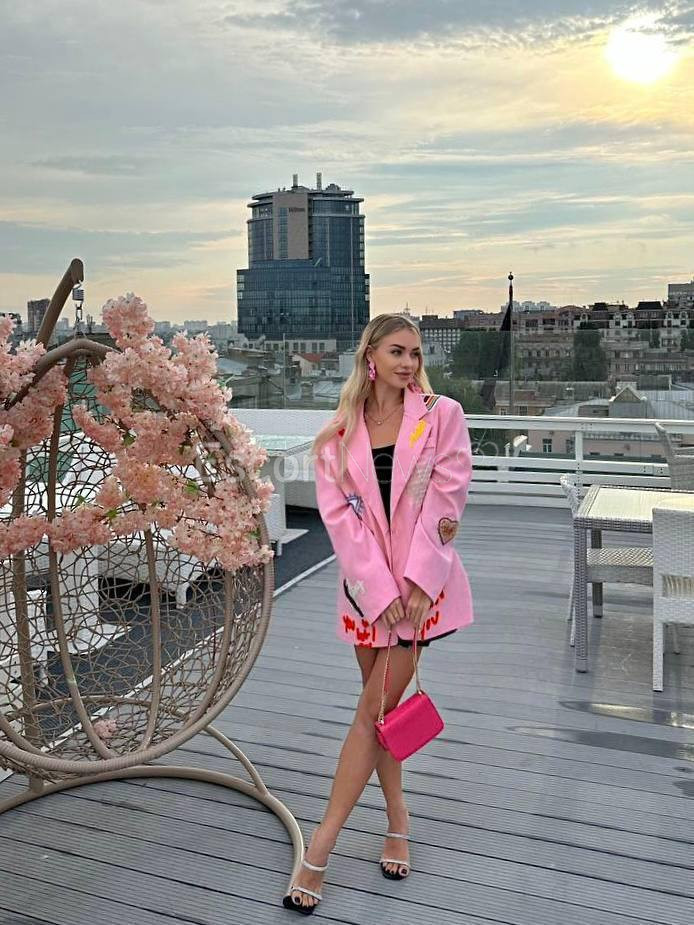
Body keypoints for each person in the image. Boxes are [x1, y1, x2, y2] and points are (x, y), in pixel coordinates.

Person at [282, 313, 474, 914]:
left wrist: (417, 581)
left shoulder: (441, 415)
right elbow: (340, 520)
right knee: (383, 715)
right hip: (368, 597)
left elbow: (448, 499)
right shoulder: (339, 434)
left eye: (415, 353)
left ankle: (320, 848)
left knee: (370, 713)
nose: (409, 363)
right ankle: (397, 818)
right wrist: (378, 591)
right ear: (370, 356)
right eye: (397, 351)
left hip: (421, 595)